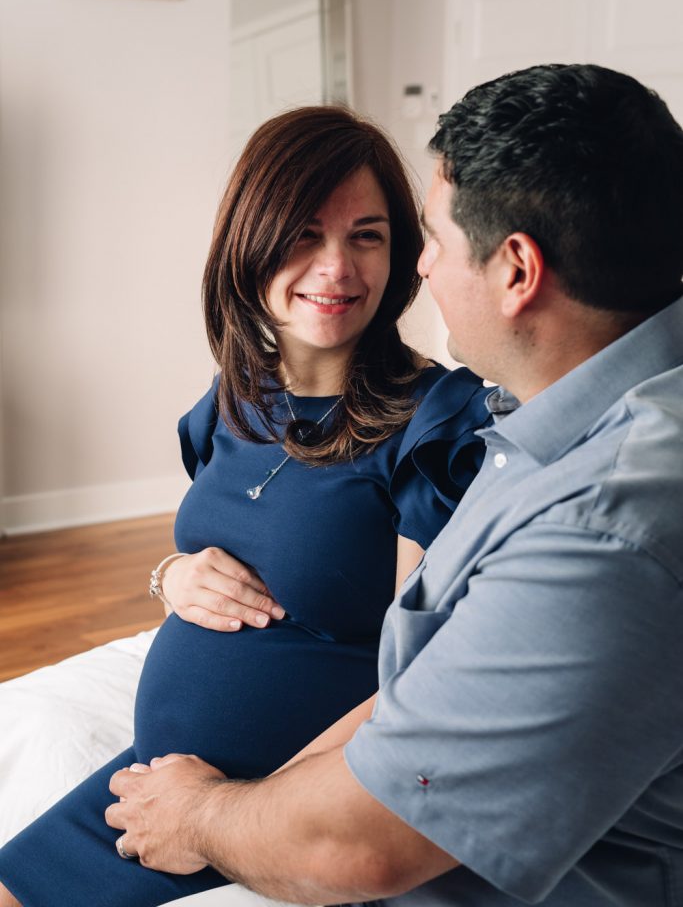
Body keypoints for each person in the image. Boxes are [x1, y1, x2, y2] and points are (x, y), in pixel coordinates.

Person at [77, 63, 681, 907]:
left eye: (411, 237)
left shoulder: (593, 514)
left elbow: (372, 817)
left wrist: (207, 813)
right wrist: (170, 575)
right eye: (301, 234)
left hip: (286, 814)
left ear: (515, 271)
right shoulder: (540, 432)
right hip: (209, 791)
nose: (420, 268)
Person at [0, 105, 490, 905]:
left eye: (365, 236)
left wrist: (238, 811)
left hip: (269, 808)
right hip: (162, 781)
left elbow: (423, 676)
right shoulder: (235, 400)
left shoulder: (433, 424)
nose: (336, 268)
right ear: (249, 244)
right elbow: (218, 544)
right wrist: (171, 575)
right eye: (303, 233)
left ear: (401, 255)